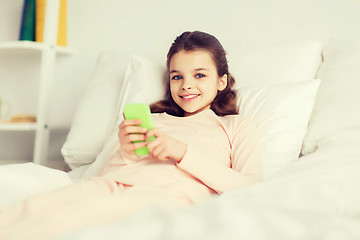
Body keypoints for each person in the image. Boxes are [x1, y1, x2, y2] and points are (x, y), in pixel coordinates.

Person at [0, 31, 263, 240]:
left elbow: (251, 185)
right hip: (110, 185)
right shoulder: (152, 119)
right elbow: (108, 175)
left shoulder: (234, 126)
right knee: (33, 209)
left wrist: (182, 152)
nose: (187, 85)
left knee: (62, 224)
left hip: (164, 196)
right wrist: (124, 150)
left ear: (221, 81)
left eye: (200, 75)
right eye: (177, 76)